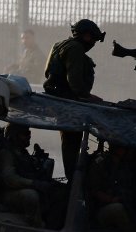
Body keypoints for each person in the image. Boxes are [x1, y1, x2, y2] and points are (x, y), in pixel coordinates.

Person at [43, 18, 106, 178]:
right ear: (86, 36)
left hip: (62, 101)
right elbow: (75, 81)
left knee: (69, 146)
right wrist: (87, 96)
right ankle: (74, 183)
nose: (93, 43)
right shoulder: (76, 48)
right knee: (72, 146)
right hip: (69, 104)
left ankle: (73, 181)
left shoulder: (60, 44)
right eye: (93, 39)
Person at [0, 124, 69, 229]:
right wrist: (34, 184)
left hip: (19, 189)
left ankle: (54, 225)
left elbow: (28, 172)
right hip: (8, 193)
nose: (29, 136)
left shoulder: (23, 153)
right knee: (31, 195)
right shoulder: (6, 154)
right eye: (25, 134)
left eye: (29, 133)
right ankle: (37, 225)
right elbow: (10, 179)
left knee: (62, 191)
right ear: (14, 135)